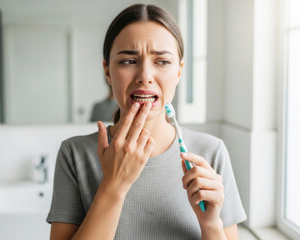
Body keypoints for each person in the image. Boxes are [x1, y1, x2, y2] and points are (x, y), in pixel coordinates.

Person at [47, 4, 246, 240]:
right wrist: (113, 186)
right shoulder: (75, 155)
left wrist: (211, 224)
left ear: (179, 71)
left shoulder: (211, 153)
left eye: (162, 61)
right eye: (129, 61)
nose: (145, 76)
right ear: (107, 71)